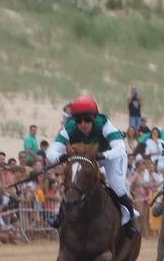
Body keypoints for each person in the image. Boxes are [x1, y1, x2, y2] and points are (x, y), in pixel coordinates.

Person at [44, 95, 138, 237]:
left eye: (87, 119)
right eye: (79, 120)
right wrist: (60, 157)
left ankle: (130, 219)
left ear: (94, 117)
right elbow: (51, 151)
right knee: (74, 181)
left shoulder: (104, 124)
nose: (83, 123)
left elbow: (119, 148)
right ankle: (60, 216)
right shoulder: (69, 128)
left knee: (116, 185)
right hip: (89, 158)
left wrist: (104, 155)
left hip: (111, 156)